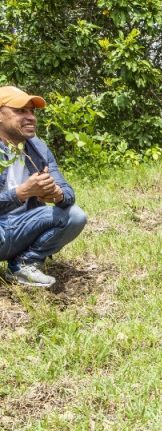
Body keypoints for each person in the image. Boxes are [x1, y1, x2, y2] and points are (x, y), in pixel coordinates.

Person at [0, 86, 87, 288]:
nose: (31, 117)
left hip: (21, 227)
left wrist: (56, 193)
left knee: (75, 216)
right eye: (20, 111)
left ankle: (24, 264)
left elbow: (68, 193)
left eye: (32, 112)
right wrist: (22, 193)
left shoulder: (37, 147)